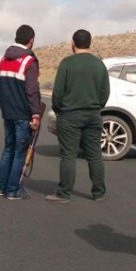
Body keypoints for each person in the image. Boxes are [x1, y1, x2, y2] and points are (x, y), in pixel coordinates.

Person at [46, 29, 110, 203]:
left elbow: (58, 92)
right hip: (93, 114)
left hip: (70, 114)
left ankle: (64, 192)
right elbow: (105, 92)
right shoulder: (99, 64)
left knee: (68, 155)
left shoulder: (67, 63)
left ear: (73, 43)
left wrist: (59, 109)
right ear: (90, 43)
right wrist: (96, 106)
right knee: (95, 154)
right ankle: (99, 192)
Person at [0, 24, 43, 200]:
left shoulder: (2, 59)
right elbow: (32, 90)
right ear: (31, 41)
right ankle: (13, 190)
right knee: (19, 152)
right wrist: (36, 115)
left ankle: (1, 187)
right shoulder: (29, 61)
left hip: (7, 113)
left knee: (8, 149)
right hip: (23, 114)